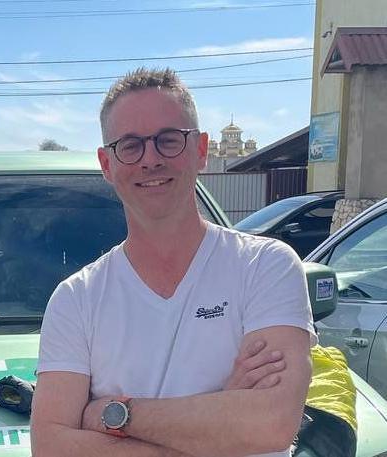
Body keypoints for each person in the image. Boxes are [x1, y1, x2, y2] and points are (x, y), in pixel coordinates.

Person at [31, 68, 315, 457]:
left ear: (200, 150)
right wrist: (220, 421)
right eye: (130, 145)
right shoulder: (75, 299)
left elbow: (270, 423)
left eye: (168, 140)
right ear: (106, 164)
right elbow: (51, 446)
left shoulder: (265, 266)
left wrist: (112, 415)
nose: (150, 160)